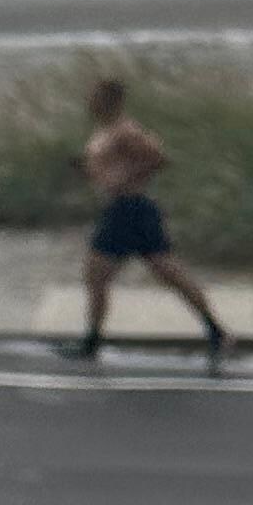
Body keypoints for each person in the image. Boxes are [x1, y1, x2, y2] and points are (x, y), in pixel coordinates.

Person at [73, 76, 231, 367]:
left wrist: (124, 180)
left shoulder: (125, 130)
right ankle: (216, 331)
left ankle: (91, 342)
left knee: (98, 275)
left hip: (129, 208)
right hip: (123, 207)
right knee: (164, 271)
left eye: (95, 97)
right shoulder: (105, 130)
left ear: (111, 100)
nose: (89, 102)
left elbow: (158, 158)